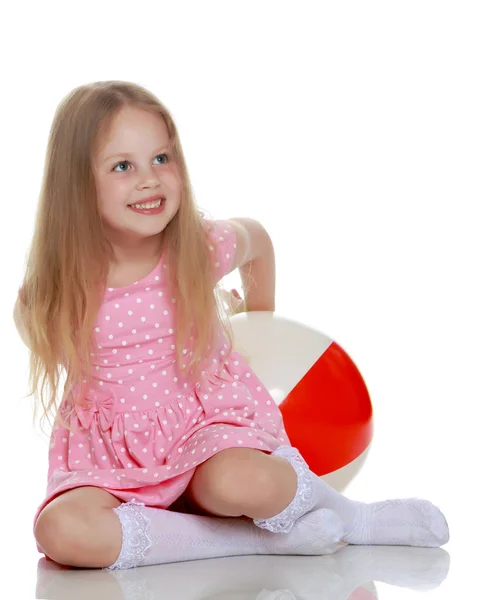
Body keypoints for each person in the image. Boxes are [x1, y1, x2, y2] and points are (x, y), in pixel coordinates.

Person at [13, 80, 449, 572]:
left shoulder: (195, 251)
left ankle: (354, 518)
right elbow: (39, 330)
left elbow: (257, 240)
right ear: (76, 185)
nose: (150, 180)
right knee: (60, 531)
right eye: (122, 166)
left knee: (249, 482)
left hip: (205, 429)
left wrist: (260, 320)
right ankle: (254, 542)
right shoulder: (58, 283)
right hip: (111, 454)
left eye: (162, 158)